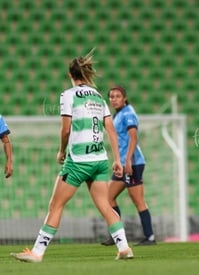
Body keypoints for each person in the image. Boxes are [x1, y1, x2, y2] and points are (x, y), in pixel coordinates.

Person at [11, 49, 133, 262]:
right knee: (105, 205)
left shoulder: (68, 95)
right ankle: (124, 247)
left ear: (70, 75)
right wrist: (117, 160)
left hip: (78, 161)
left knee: (55, 205)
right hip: (100, 160)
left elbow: (66, 129)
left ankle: (37, 252)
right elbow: (111, 131)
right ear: (86, 75)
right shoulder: (98, 97)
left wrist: (61, 150)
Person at [100, 86, 156, 246]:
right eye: (111, 97)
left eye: (117, 96)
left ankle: (150, 237)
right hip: (123, 164)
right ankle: (116, 235)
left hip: (132, 164)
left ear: (124, 98)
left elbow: (133, 137)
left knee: (138, 200)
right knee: (108, 197)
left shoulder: (128, 113)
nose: (114, 99)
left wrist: (128, 160)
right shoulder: (118, 115)